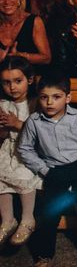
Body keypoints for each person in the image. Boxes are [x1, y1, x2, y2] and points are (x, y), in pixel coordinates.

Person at [18, 70, 77, 267]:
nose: (49, 102)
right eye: (44, 97)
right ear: (38, 97)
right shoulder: (34, 122)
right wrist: (44, 169)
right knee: (49, 213)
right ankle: (44, 258)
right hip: (54, 169)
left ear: (67, 98)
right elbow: (24, 149)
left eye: (56, 97)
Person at [0, 57, 41, 247]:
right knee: (0, 176)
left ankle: (27, 219)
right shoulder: (3, 103)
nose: (12, 87)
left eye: (18, 81)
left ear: (30, 80)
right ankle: (7, 220)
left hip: (29, 151)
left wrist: (16, 123)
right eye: (7, 82)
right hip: (8, 148)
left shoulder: (36, 103)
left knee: (24, 176)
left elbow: (41, 132)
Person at [0, 0, 51, 68]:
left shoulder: (34, 21)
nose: (7, 2)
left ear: (18, 0)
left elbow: (46, 58)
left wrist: (20, 56)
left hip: (30, 78)